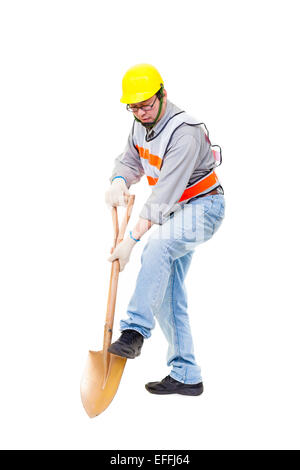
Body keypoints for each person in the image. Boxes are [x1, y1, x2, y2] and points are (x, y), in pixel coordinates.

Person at [105, 64, 225, 396]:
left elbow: (162, 197)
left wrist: (130, 240)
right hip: (176, 212)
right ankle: (187, 374)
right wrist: (119, 179)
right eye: (134, 106)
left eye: (146, 104)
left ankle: (134, 332)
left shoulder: (183, 132)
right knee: (166, 293)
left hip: (204, 206)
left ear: (163, 95)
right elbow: (130, 161)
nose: (140, 112)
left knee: (156, 248)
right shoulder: (139, 125)